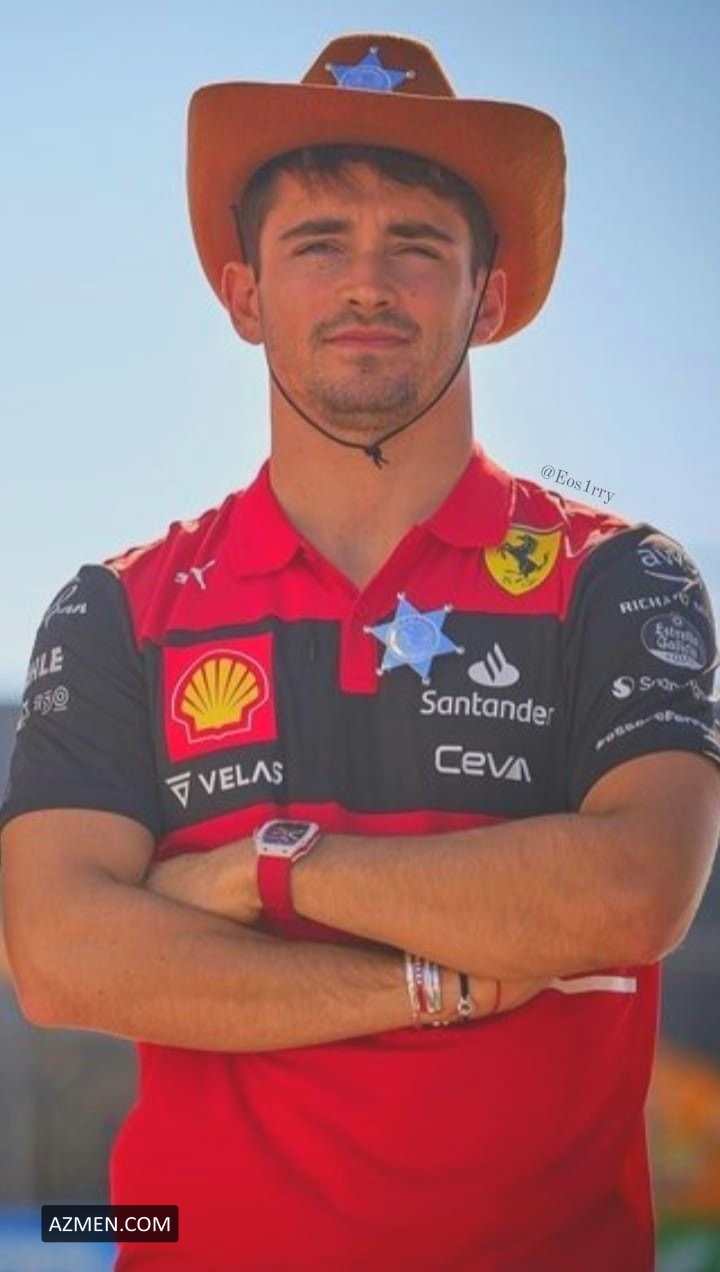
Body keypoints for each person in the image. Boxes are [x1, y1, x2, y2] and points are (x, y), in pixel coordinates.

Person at [2, 31, 719, 1272]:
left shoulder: (617, 578)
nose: (369, 284)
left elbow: (631, 893)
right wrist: (428, 985)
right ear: (245, 298)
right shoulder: (118, 610)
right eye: (320, 242)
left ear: (489, 299)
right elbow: (58, 958)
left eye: (418, 246)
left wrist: (265, 869)